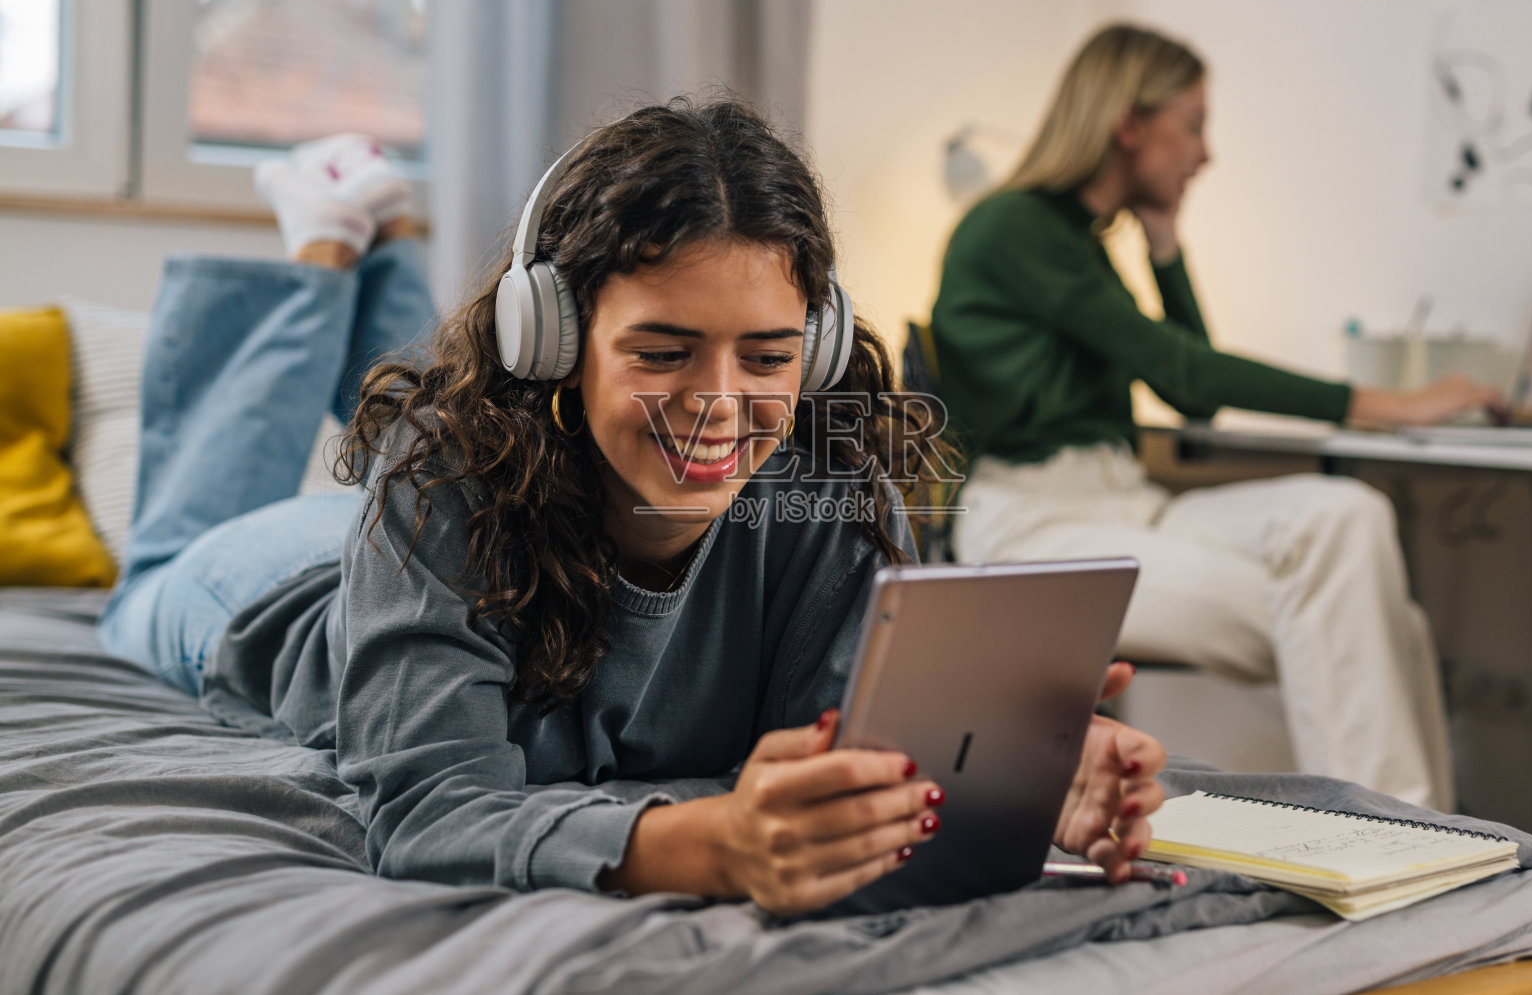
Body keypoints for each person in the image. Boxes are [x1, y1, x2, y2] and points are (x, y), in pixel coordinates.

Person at [96, 100, 1167, 917]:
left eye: (767, 355)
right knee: (159, 557)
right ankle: (329, 239)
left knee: (416, 412)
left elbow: (838, 757)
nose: (718, 404)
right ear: (551, 340)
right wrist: (707, 846)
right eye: (661, 351)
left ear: (820, 345)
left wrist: (1019, 786)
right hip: (276, 591)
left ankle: (366, 234)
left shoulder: (830, 491)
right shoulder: (441, 478)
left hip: (402, 534)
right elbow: (430, 810)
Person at [930, 25, 1504, 812]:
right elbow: (1188, 370)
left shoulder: (1082, 241)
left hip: (1129, 505)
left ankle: (1411, 830)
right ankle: (1396, 833)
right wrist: (1391, 406)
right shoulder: (1011, 228)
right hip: (1037, 528)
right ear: (1130, 124)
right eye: (1193, 124)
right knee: (1367, 624)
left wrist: (1165, 241)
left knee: (1352, 518)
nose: (1206, 151)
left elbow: (1190, 396)